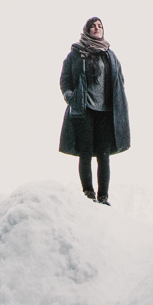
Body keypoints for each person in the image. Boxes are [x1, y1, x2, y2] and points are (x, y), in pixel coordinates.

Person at [58, 16, 130, 204]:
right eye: (93, 26)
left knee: (104, 154)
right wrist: (69, 96)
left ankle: (103, 196)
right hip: (84, 109)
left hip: (106, 111)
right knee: (86, 152)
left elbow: (119, 79)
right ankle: (88, 194)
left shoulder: (109, 55)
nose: (97, 28)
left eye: (100, 26)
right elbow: (65, 78)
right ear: (87, 30)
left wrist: (118, 100)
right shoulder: (76, 53)